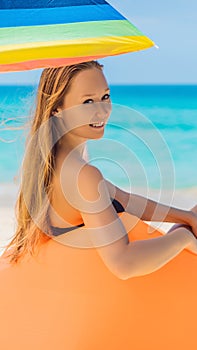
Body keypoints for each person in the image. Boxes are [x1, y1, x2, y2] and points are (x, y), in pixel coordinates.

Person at [0, 60, 197, 349]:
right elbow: (123, 263)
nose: (102, 110)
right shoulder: (82, 175)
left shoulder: (52, 161)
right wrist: (182, 236)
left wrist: (186, 217)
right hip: (118, 315)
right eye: (87, 101)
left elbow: (124, 199)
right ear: (58, 108)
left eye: (105, 96)